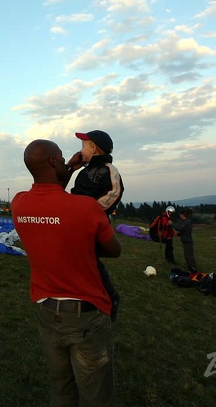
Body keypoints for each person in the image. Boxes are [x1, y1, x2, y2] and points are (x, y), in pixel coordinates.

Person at [12, 139, 121, 407]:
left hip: (48, 313)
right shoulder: (85, 207)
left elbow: (50, 197)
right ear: (51, 162)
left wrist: (68, 169)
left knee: (61, 389)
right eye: (60, 158)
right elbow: (113, 250)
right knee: (96, 395)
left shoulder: (19, 203)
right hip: (86, 316)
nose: (65, 160)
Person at [65, 130, 124, 323]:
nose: (80, 150)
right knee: (82, 260)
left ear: (94, 148)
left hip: (92, 225)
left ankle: (110, 297)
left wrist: (91, 212)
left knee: (91, 261)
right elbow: (74, 195)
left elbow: (114, 192)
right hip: (77, 224)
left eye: (83, 145)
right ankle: (85, 296)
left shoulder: (109, 169)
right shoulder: (83, 172)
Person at [172, 207, 197, 272]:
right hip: (185, 240)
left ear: (182, 215)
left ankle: (194, 269)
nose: (179, 216)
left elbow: (181, 228)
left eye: (180, 214)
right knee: (186, 255)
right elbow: (184, 231)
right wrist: (178, 234)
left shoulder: (187, 221)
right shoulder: (186, 221)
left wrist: (171, 224)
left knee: (190, 256)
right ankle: (190, 267)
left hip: (188, 241)